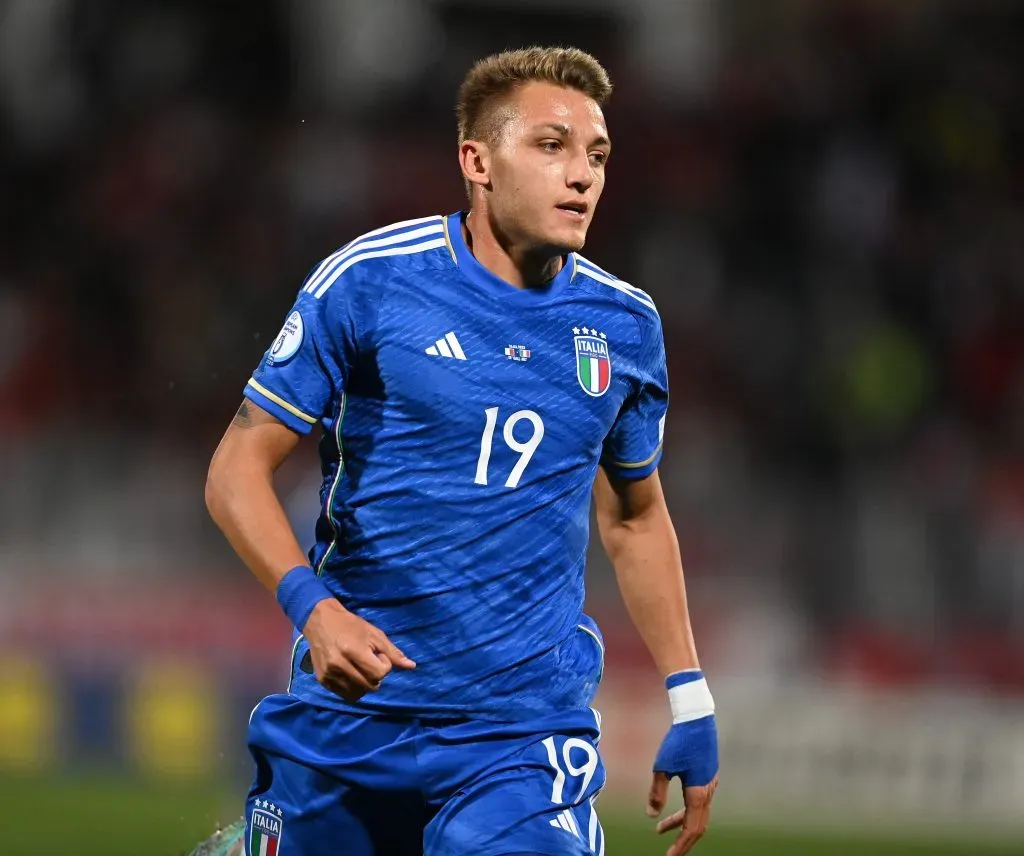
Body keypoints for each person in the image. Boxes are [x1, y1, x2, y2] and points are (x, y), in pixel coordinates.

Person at [204, 45, 719, 856]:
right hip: (354, 714)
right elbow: (235, 471)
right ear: (477, 162)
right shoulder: (371, 282)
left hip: (520, 734)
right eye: (551, 146)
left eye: (597, 155)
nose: (582, 175)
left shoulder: (624, 327)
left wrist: (690, 698)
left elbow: (635, 517)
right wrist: (315, 611)